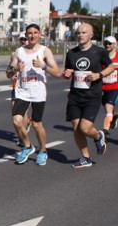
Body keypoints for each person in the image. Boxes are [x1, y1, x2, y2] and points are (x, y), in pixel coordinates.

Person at [62, 23, 115, 169]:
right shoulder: (71, 53)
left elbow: (111, 67)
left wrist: (99, 75)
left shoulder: (99, 51)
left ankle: (98, 136)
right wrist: (66, 74)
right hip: (75, 96)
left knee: (85, 128)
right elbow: (68, 70)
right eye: (78, 32)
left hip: (92, 95)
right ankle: (86, 157)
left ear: (91, 35)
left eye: (84, 32)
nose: (80, 35)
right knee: (76, 128)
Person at [7, 23, 60, 165]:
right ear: (26, 35)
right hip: (22, 91)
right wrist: (15, 69)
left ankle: (42, 151)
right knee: (17, 121)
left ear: (40, 34)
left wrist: (44, 66)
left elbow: (58, 73)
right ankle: (28, 146)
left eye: (35, 33)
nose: (32, 35)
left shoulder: (45, 51)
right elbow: (8, 73)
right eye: (29, 33)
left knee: (36, 124)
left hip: (38, 93)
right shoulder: (19, 51)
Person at [6, 35, 32, 145]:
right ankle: (21, 135)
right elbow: (9, 70)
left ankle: (23, 138)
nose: (23, 41)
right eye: (21, 39)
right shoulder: (15, 53)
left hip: (29, 87)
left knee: (23, 114)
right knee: (15, 115)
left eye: (25, 39)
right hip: (16, 87)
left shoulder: (34, 53)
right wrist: (11, 76)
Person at [100, 36, 118, 132]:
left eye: (110, 43)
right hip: (103, 88)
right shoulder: (101, 57)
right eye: (106, 43)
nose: (107, 45)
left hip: (115, 87)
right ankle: (114, 117)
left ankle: (105, 131)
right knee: (107, 107)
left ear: (115, 45)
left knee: (108, 106)